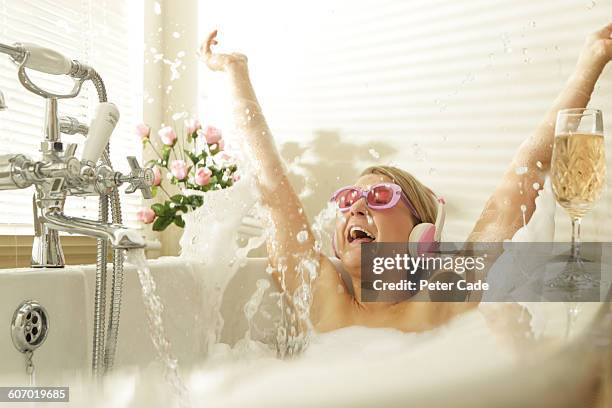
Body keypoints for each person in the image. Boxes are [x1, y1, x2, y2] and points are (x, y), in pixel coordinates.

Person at [201, 23, 612, 333]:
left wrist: (590, 63)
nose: (357, 205)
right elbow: (270, 185)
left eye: (379, 196)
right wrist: (236, 72)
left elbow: (520, 183)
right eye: (348, 200)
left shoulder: (438, 303)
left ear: (422, 234)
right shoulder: (321, 295)